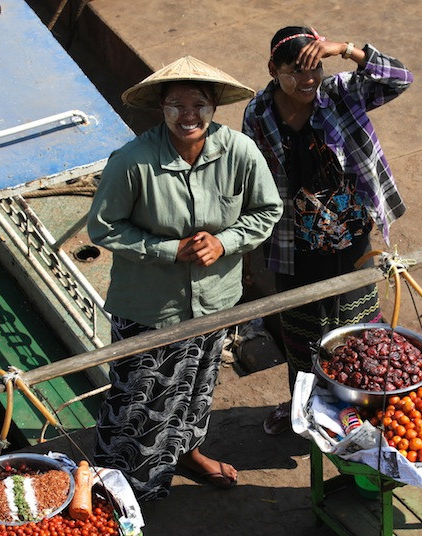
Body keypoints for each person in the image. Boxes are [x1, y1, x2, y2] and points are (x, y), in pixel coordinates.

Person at [87, 56, 282, 500]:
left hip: (216, 298)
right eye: (176, 105)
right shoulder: (133, 161)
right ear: (161, 108)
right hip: (151, 306)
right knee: (138, 403)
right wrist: (169, 250)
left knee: (197, 385)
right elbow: (104, 227)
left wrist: (226, 241)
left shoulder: (239, 151)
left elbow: (267, 210)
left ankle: (188, 452)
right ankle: (124, 491)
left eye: (199, 103)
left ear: (214, 106)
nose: (188, 115)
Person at [242, 26, 413, 435]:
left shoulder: (340, 92)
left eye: (314, 68)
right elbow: (252, 174)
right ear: (273, 69)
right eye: (295, 72)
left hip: (351, 235)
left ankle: (364, 406)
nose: (307, 81)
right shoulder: (259, 113)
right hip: (293, 241)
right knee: (302, 332)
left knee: (357, 328)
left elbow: (400, 78)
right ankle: (303, 407)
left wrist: (347, 49)